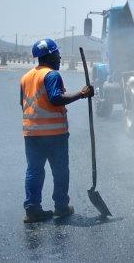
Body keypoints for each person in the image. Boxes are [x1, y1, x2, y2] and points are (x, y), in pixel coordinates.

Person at [21, 38, 94, 223]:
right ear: (50, 55)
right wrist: (82, 94)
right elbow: (55, 98)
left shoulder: (26, 78)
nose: (60, 57)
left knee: (34, 171)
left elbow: (22, 103)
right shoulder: (52, 75)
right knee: (60, 171)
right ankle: (61, 207)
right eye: (57, 54)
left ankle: (32, 210)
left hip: (31, 134)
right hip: (53, 135)